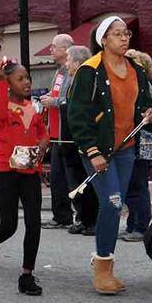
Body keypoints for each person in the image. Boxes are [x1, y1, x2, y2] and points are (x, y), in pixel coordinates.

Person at [68, 17, 152, 295]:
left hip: (126, 150)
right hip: (99, 150)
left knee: (117, 206)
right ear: (103, 40)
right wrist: (92, 151)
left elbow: (148, 103)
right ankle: (102, 268)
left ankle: (106, 266)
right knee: (112, 202)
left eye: (126, 33)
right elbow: (77, 115)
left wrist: (150, 115)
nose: (124, 38)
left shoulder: (136, 70)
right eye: (117, 34)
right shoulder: (89, 71)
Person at [0, 58, 49, 295]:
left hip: (30, 171)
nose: (26, 82)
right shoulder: (2, 106)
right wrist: (1, 82)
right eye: (20, 79)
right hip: (7, 170)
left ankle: (27, 275)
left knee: (34, 223)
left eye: (28, 78)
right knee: (9, 225)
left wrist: (44, 141)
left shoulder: (33, 108)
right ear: (9, 82)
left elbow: (42, 132)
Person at [121, 49, 152, 243]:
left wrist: (150, 116)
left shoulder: (145, 85)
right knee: (129, 185)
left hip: (142, 141)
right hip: (130, 140)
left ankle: (141, 225)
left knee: (138, 184)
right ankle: (131, 223)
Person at [61, 45, 98, 236]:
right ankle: (83, 218)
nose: (66, 64)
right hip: (69, 140)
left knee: (88, 182)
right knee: (75, 181)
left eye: (68, 60)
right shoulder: (71, 80)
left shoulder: (88, 79)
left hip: (82, 141)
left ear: (77, 62)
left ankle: (93, 220)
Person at [41, 34, 75, 229]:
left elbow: (73, 100)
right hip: (55, 133)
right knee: (57, 179)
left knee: (70, 177)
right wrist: (49, 97)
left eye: (54, 47)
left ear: (65, 49)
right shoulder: (59, 72)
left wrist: (54, 102)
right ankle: (61, 215)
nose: (51, 50)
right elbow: (58, 95)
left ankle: (74, 215)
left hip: (67, 135)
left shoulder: (72, 72)